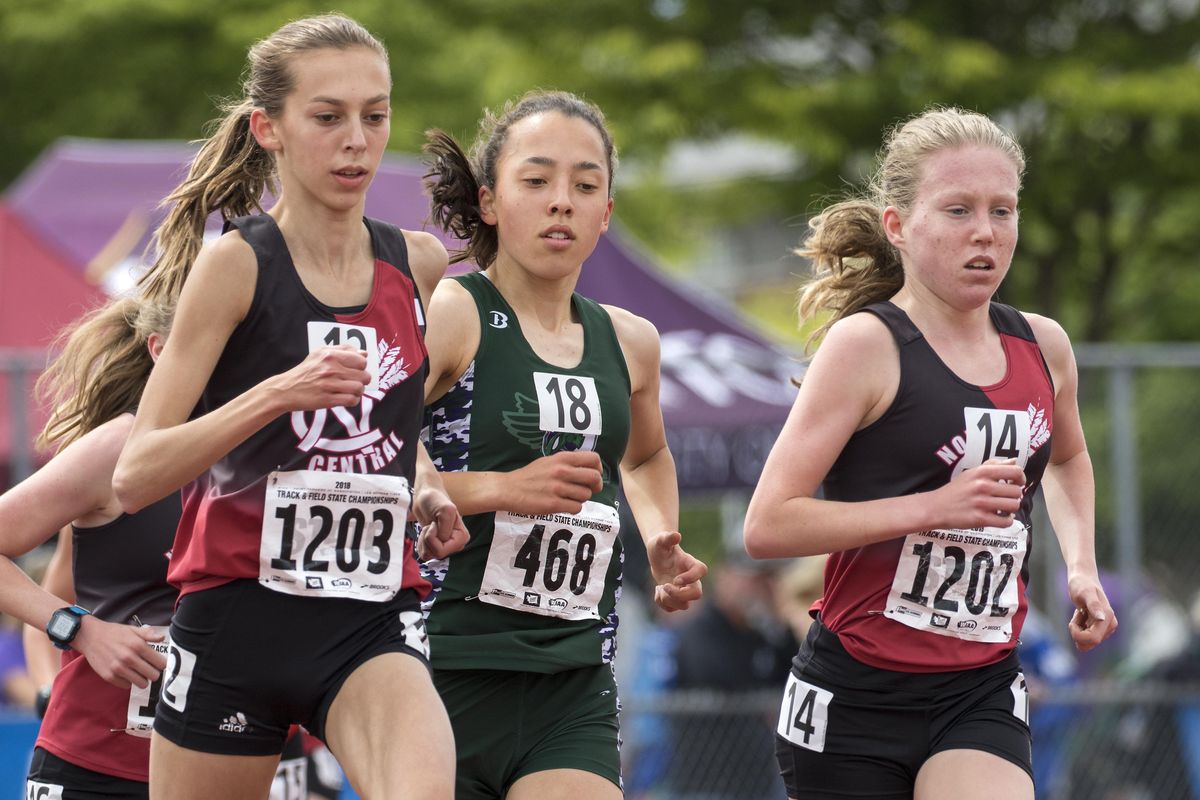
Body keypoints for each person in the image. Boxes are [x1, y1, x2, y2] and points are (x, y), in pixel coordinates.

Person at [111, 13, 466, 800]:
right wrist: (279, 392)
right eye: (328, 117)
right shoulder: (235, 266)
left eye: (376, 116)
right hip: (237, 618)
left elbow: (384, 423)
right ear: (268, 129)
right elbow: (136, 474)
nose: (357, 141)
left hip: (372, 615)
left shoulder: (416, 262)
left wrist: (429, 480)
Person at [742, 107, 1119, 800]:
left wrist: (1081, 567)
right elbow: (769, 525)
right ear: (898, 226)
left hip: (978, 685)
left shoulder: (1044, 346)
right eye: (957, 210)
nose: (985, 232)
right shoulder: (867, 347)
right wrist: (933, 507)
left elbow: (1065, 460)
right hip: (855, 694)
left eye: (1002, 210)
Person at [420, 89, 708, 799]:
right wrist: (500, 489)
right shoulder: (456, 313)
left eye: (585, 186)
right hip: (440, 667)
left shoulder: (630, 340)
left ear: (606, 213)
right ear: (490, 202)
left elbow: (642, 457)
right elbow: (374, 445)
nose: (562, 202)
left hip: (572, 674)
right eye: (538, 180)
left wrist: (661, 538)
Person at [0, 295, 175, 797]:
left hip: (226, 764)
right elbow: (50, 602)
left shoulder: (267, 448)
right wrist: (79, 631)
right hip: (96, 770)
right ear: (161, 349)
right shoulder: (117, 449)